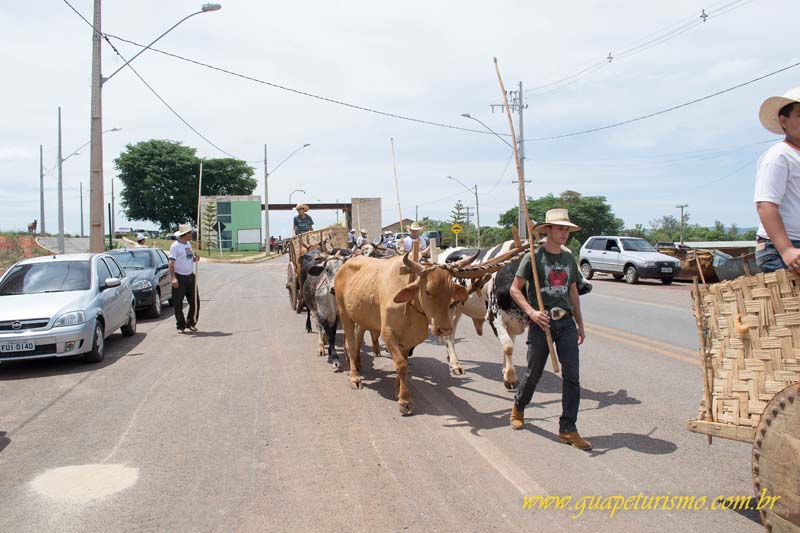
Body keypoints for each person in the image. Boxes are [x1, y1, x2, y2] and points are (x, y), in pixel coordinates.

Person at [508, 208, 590, 450]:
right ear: (548, 230)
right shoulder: (533, 258)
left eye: (567, 229)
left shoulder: (568, 258)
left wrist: (580, 323)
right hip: (540, 323)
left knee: (572, 377)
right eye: (560, 228)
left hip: (565, 323)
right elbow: (515, 289)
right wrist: (532, 312)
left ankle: (568, 428)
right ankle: (519, 407)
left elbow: (573, 291)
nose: (565, 233)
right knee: (533, 373)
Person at [754, 87, 800, 273]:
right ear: (784, 121)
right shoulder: (780, 156)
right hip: (781, 248)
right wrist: (787, 250)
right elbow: (766, 205)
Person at [168, 223, 200, 333]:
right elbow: (171, 263)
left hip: (190, 276)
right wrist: (173, 278)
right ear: (185, 234)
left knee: (195, 301)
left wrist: (195, 259)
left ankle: (191, 322)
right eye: (190, 233)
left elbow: (189, 259)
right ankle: (180, 325)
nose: (192, 234)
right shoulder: (175, 246)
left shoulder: (188, 244)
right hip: (179, 277)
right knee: (178, 303)